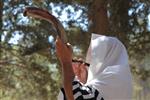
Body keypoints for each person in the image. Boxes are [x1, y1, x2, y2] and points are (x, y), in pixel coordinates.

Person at [56, 33, 133, 100]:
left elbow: (75, 97)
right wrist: (84, 81)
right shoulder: (116, 78)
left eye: (93, 58)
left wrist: (66, 61)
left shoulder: (116, 76)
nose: (89, 65)